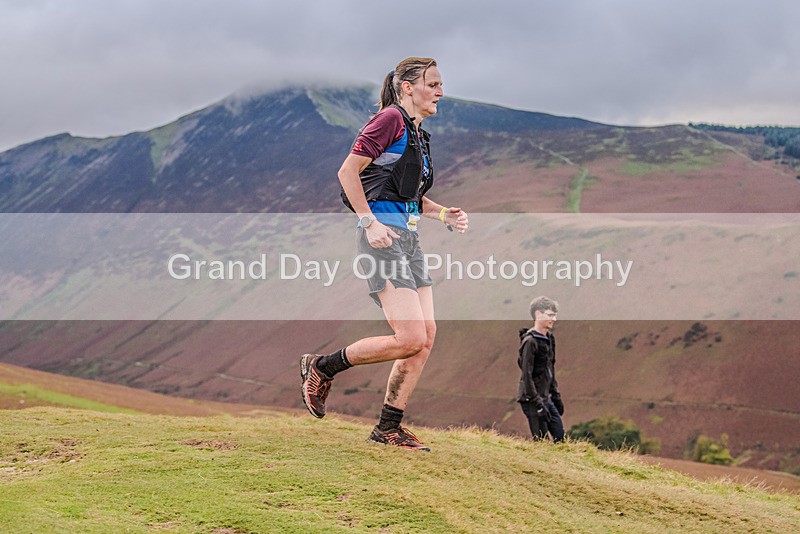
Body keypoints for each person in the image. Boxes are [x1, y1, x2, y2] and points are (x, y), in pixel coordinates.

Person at [300, 57, 469, 451]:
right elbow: (348, 172)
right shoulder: (389, 120)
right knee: (409, 337)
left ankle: (388, 428)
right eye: (434, 84)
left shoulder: (416, 132)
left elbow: (405, 193)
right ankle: (322, 367)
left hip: (408, 241)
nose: (441, 92)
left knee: (425, 337)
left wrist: (442, 213)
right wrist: (368, 222)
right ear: (408, 87)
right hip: (382, 239)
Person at [517, 296, 565, 442]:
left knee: (560, 437)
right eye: (550, 315)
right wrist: (537, 403)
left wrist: (556, 396)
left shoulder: (550, 338)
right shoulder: (530, 341)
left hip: (546, 396)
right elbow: (526, 375)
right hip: (531, 398)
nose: (554, 319)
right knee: (541, 442)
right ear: (538, 314)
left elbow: (550, 368)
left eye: (555, 315)